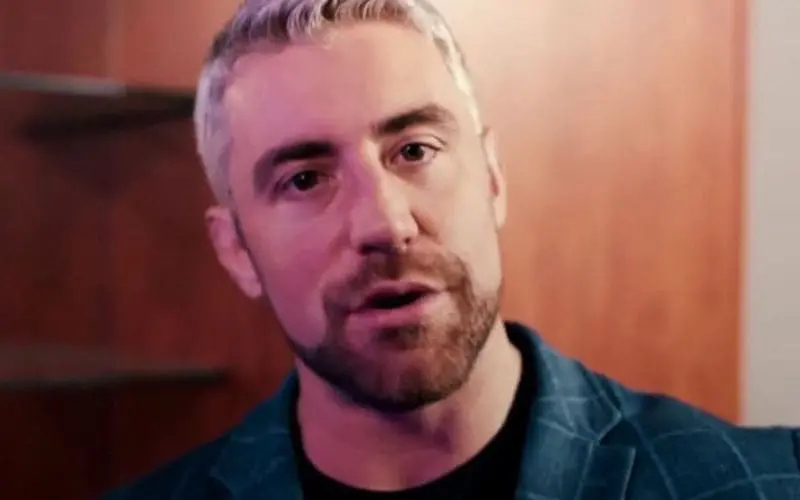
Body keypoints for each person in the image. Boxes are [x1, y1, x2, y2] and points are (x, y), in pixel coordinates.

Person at [105, 0, 800, 498]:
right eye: (306, 179)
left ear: (493, 178)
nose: (386, 223)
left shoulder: (768, 481)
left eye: (415, 150)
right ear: (235, 250)